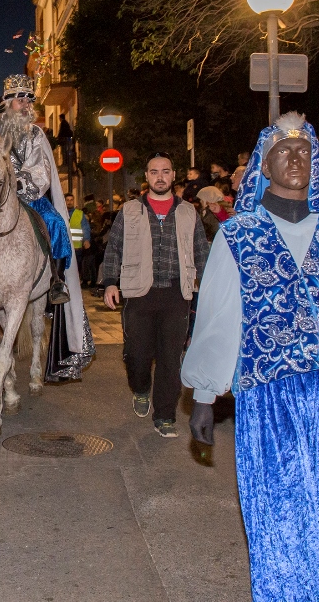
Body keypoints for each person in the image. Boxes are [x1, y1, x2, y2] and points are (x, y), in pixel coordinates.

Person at [181, 112, 319, 602]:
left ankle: (300, 553)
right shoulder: (239, 234)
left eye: (305, 149)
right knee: (281, 516)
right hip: (267, 391)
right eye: (284, 150)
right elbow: (219, 317)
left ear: (317, 160)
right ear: (265, 163)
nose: (296, 157)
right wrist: (204, 393)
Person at [0, 73, 93, 380]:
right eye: (18, 97)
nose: (24, 103)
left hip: (24, 196)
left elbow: (40, 171)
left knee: (54, 224)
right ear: (6, 101)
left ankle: (55, 282)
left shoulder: (36, 135)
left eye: (29, 98)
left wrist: (19, 185)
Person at [102, 152, 209, 437]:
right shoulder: (129, 211)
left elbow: (201, 252)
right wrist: (111, 282)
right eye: (154, 172)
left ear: (174, 176)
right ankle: (140, 388)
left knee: (170, 357)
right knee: (136, 354)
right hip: (139, 292)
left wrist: (208, 287)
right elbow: (114, 248)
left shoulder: (189, 211)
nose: (160, 177)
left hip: (177, 292)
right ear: (147, 177)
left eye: (165, 171)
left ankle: (164, 415)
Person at [65, 193, 91, 285]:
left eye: (71, 200)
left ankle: (75, 284)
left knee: (76, 267)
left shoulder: (79, 214)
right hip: (64, 247)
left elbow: (85, 228)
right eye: (67, 200)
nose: (69, 202)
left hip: (77, 247)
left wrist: (86, 240)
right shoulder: (61, 213)